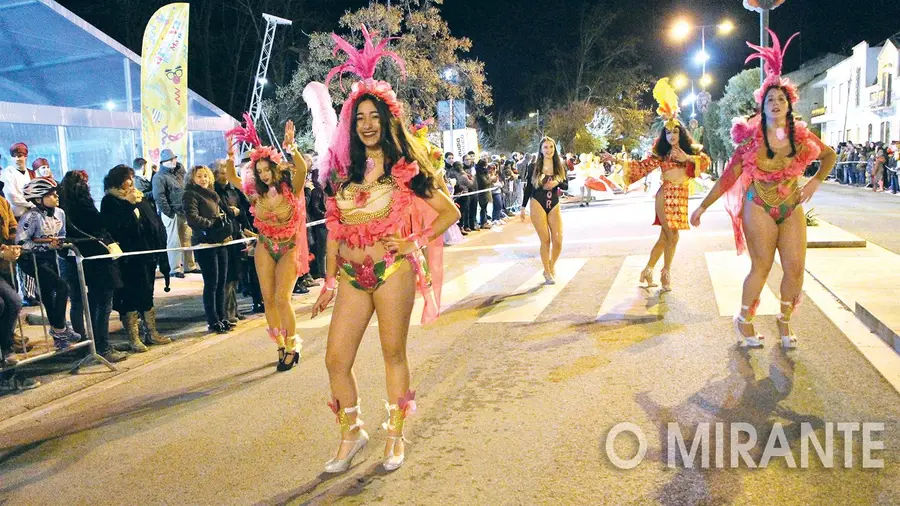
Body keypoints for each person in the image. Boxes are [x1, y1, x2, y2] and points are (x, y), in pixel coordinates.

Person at [305, 26, 459, 473]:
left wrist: (413, 240)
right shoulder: (343, 174)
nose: (367, 124)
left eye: (374, 116)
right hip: (353, 278)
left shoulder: (406, 168)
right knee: (336, 359)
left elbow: (448, 213)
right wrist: (330, 280)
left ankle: (396, 433)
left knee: (393, 353)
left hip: (393, 271)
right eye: (360, 117)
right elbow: (334, 229)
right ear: (352, 123)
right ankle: (352, 434)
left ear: (387, 119)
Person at [690, 30, 837, 350]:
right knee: (762, 266)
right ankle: (744, 320)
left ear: (788, 104)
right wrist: (702, 206)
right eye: (770, 99)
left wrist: (815, 180)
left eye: (780, 98)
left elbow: (829, 156)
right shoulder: (751, 140)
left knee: (796, 267)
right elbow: (728, 177)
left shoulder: (801, 135)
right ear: (763, 105)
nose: (775, 102)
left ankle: (784, 322)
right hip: (758, 205)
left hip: (791, 204)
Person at [224, 117, 309, 371]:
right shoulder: (254, 192)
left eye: (266, 169)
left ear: (274, 167)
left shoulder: (289, 188)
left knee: (283, 298)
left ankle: (293, 346)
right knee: (268, 299)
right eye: (258, 171)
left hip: (288, 246)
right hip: (265, 245)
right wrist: (230, 155)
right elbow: (231, 177)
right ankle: (280, 345)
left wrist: (292, 148)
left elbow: (302, 170)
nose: (263, 174)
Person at [614, 78, 711, 292]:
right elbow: (642, 167)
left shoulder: (690, 151)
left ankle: (647, 270)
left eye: (675, 131)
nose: (672, 135)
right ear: (664, 135)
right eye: (668, 132)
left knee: (664, 237)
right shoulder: (661, 154)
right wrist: (618, 162)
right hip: (665, 196)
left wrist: (687, 159)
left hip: (681, 196)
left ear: (681, 133)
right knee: (673, 235)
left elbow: (705, 162)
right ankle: (666, 273)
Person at [57, 171, 128, 362]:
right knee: (102, 302)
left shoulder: (63, 207)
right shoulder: (83, 204)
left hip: (75, 259)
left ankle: (86, 345)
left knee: (80, 302)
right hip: (95, 257)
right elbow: (100, 225)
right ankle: (101, 346)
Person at [102, 164, 172, 353]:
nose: (131, 182)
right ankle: (134, 338)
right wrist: (128, 204)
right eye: (127, 178)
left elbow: (154, 224)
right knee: (129, 297)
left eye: (132, 177)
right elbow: (115, 226)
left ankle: (152, 332)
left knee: (147, 294)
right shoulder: (110, 201)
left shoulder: (140, 198)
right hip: (127, 259)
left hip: (146, 255)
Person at [15, 178, 82, 348]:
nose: (56, 195)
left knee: (49, 296)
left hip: (51, 258)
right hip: (31, 260)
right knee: (62, 287)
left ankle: (59, 336)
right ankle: (60, 328)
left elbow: (63, 234)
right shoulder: (30, 217)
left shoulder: (60, 213)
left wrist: (60, 243)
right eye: (51, 194)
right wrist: (45, 243)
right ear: (38, 199)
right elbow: (21, 244)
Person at [183, 165, 235, 334]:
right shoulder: (190, 194)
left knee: (222, 282)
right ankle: (212, 320)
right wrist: (211, 224)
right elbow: (192, 218)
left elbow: (224, 212)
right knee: (211, 283)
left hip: (220, 241)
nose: (203, 179)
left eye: (205, 175)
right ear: (192, 178)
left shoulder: (213, 194)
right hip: (205, 243)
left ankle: (223, 317)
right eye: (199, 176)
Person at [519, 137, 569, 284]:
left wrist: (557, 181)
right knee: (545, 240)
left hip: (554, 202)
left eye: (551, 147)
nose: (549, 150)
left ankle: (551, 265)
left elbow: (566, 185)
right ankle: (547, 271)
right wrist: (522, 207)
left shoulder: (559, 165)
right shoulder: (533, 166)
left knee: (558, 240)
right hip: (537, 202)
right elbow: (528, 187)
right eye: (545, 147)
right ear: (541, 149)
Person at [213, 160, 254, 323]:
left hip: (237, 234)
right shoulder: (215, 192)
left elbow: (242, 210)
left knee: (236, 274)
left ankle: (234, 310)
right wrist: (233, 212)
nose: (224, 177)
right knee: (227, 277)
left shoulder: (233, 190)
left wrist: (239, 214)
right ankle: (227, 312)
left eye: (226, 173)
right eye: (222, 173)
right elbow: (224, 211)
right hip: (224, 236)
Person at [152, 150, 198, 278]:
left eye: (174, 158)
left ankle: (190, 265)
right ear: (163, 162)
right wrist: (169, 212)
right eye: (170, 160)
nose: (173, 161)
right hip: (172, 213)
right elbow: (159, 197)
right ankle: (175, 268)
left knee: (187, 237)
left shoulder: (180, 172)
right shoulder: (159, 177)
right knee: (174, 240)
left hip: (184, 211)